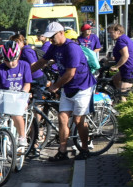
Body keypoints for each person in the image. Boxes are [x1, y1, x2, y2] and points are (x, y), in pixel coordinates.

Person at [31, 21, 94, 161]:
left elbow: (71, 73)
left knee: (78, 120)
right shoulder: (54, 47)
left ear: (61, 33)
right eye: (49, 37)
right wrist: (26, 73)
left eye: (52, 36)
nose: (50, 40)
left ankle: (84, 148)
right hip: (68, 87)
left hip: (82, 86)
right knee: (62, 118)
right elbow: (42, 62)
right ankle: (62, 151)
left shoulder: (72, 48)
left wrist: (56, 85)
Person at [108, 23, 133, 99]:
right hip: (129, 68)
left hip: (130, 69)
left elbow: (125, 55)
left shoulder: (120, 41)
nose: (110, 35)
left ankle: (123, 105)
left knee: (122, 94)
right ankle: (117, 98)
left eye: (111, 33)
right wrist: (110, 59)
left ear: (118, 32)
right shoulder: (124, 38)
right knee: (115, 79)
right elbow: (122, 54)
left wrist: (116, 67)